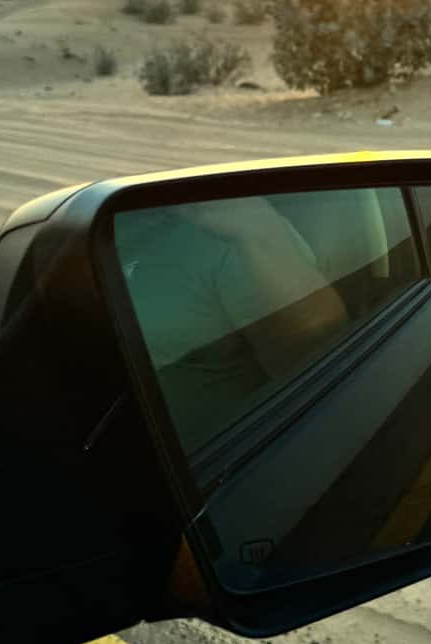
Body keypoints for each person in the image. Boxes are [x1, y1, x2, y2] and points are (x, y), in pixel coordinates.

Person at [115, 195, 351, 455]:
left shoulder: (231, 229)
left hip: (212, 462)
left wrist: (259, 232)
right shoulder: (117, 219)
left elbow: (321, 364)